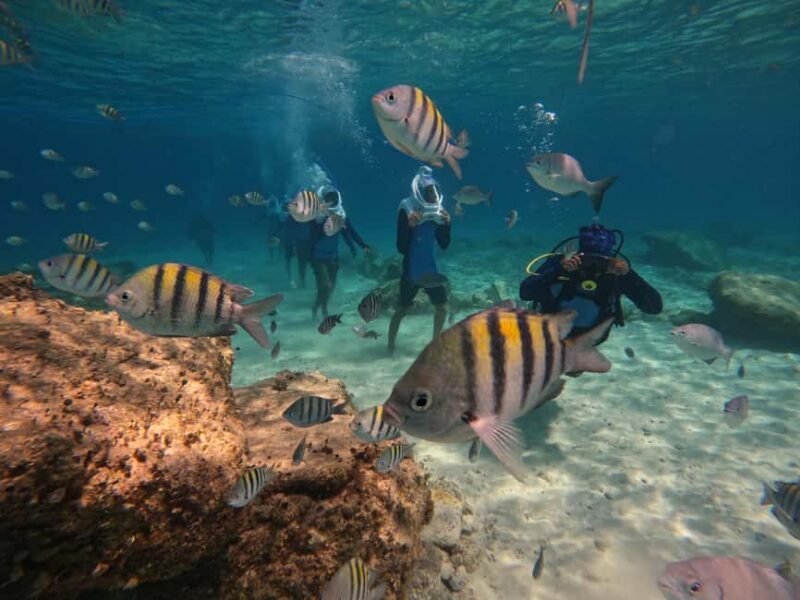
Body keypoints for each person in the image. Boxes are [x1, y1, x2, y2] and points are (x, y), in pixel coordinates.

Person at [519, 223, 662, 345]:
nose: (593, 266)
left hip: (589, 342)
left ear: (610, 258)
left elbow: (654, 307)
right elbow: (525, 293)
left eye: (601, 261)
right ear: (579, 254)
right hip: (549, 337)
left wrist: (629, 275)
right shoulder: (561, 263)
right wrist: (557, 270)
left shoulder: (616, 272)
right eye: (587, 259)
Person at [388, 166, 451, 354]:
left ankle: (435, 344)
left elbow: (444, 244)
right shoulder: (406, 209)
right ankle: (390, 346)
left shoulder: (438, 211)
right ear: (419, 192)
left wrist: (447, 225)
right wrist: (410, 225)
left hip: (430, 270)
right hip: (411, 272)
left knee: (441, 307)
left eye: (433, 191)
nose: (432, 195)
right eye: (428, 191)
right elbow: (401, 248)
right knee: (402, 310)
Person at [309, 185, 370, 319]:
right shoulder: (316, 215)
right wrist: (323, 221)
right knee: (325, 285)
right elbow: (311, 236)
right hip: (317, 257)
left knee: (330, 287)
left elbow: (351, 232)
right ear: (323, 199)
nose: (331, 201)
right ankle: (323, 309)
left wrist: (363, 245)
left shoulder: (341, 215)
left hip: (333, 257)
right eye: (328, 198)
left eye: (334, 198)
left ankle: (318, 305)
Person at [279, 198, 312, 288]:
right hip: (294, 242)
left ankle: (298, 280)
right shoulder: (291, 217)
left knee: (299, 262)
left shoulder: (294, 217)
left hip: (298, 242)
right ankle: (296, 280)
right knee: (298, 262)